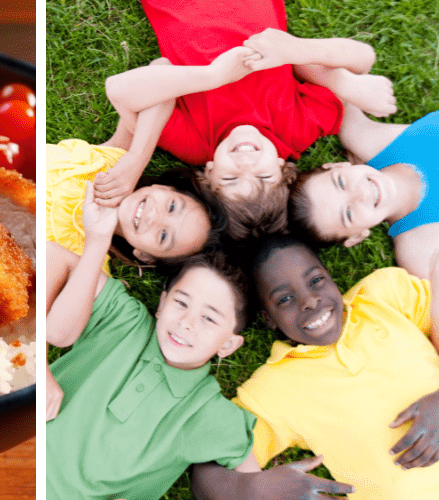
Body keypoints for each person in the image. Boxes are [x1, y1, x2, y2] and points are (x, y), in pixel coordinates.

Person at [98, 0, 396, 240]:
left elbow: (131, 86)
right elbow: (363, 57)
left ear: (208, 175)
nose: (245, 164)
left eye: (230, 179)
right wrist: (343, 83)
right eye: (263, 177)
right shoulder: (294, 132)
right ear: (282, 169)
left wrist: (212, 76)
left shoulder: (198, 146)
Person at [45, 184, 255, 500]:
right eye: (181, 303)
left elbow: (255, 481)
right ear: (161, 303)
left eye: (209, 318)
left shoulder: (205, 411)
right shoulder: (125, 321)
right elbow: (52, 257)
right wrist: (40, 371)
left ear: (228, 345)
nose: (186, 322)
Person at [192, 236, 439, 499]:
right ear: (268, 318)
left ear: (330, 277)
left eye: (316, 281)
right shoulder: (276, 388)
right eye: (285, 298)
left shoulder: (386, 296)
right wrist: (252, 488)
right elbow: (206, 466)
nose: (309, 300)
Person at [288, 103, 439, 350]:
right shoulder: (418, 247)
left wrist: (350, 84)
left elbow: (317, 71)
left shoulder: (367, 138)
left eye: (340, 183)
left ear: (337, 166)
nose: (360, 193)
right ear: (357, 236)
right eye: (348, 213)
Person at [47, 94, 221, 267]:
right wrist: (136, 158)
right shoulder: (115, 163)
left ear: (145, 256)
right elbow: (156, 84)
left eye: (163, 236)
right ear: (165, 188)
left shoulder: (88, 264)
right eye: (172, 206)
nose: (154, 216)